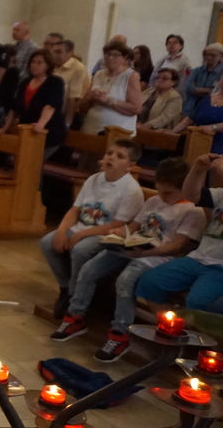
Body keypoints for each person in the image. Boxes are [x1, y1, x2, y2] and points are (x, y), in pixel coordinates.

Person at [55, 157, 201, 361]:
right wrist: (118, 234)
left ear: (183, 188)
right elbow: (134, 227)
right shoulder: (154, 201)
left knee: (125, 281)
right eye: (159, 190)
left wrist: (144, 253)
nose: (162, 197)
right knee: (89, 269)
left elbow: (178, 246)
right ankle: (75, 316)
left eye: (168, 193)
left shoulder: (192, 211)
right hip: (134, 248)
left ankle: (120, 334)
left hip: (158, 256)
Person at [40, 137, 144, 318]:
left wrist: (81, 235)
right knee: (47, 242)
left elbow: (118, 224)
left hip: (106, 234)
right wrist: (62, 231)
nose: (111, 158)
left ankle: (75, 296)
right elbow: (75, 209)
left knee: (81, 250)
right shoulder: (93, 179)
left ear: (130, 166)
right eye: (109, 153)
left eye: (119, 156)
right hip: (83, 228)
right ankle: (65, 287)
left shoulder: (131, 189)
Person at [136, 153, 223, 317]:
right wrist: (198, 169)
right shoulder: (220, 194)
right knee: (150, 282)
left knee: (197, 301)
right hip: (197, 258)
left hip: (220, 266)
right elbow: (191, 196)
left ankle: (194, 332)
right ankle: (171, 327)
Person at [3, 49, 66, 160]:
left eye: (39, 62)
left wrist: (40, 124)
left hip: (48, 131)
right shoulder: (25, 82)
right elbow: (14, 108)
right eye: (33, 62)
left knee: (32, 162)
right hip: (27, 131)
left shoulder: (55, 82)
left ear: (48, 65)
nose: (34, 65)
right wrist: (4, 128)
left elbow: (50, 106)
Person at [80, 41, 142, 134]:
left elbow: (136, 108)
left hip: (118, 131)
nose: (110, 58)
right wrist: (91, 97)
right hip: (91, 127)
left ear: (125, 58)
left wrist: (109, 101)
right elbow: (83, 107)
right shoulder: (99, 74)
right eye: (107, 54)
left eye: (115, 55)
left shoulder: (131, 76)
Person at [171, 78, 223, 154]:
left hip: (219, 146)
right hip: (198, 141)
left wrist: (213, 127)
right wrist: (173, 131)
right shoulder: (206, 99)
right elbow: (190, 119)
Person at [51, 38, 89, 125]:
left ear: (70, 52)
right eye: (54, 52)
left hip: (70, 115)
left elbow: (74, 98)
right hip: (52, 112)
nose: (55, 55)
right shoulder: (53, 66)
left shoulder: (78, 68)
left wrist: (67, 123)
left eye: (59, 52)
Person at [182, 43, 223, 118]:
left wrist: (197, 90)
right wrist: (208, 90)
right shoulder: (196, 70)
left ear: (221, 56)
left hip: (210, 111)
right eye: (207, 54)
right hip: (190, 108)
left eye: (213, 55)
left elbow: (217, 92)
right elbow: (188, 87)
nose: (209, 57)